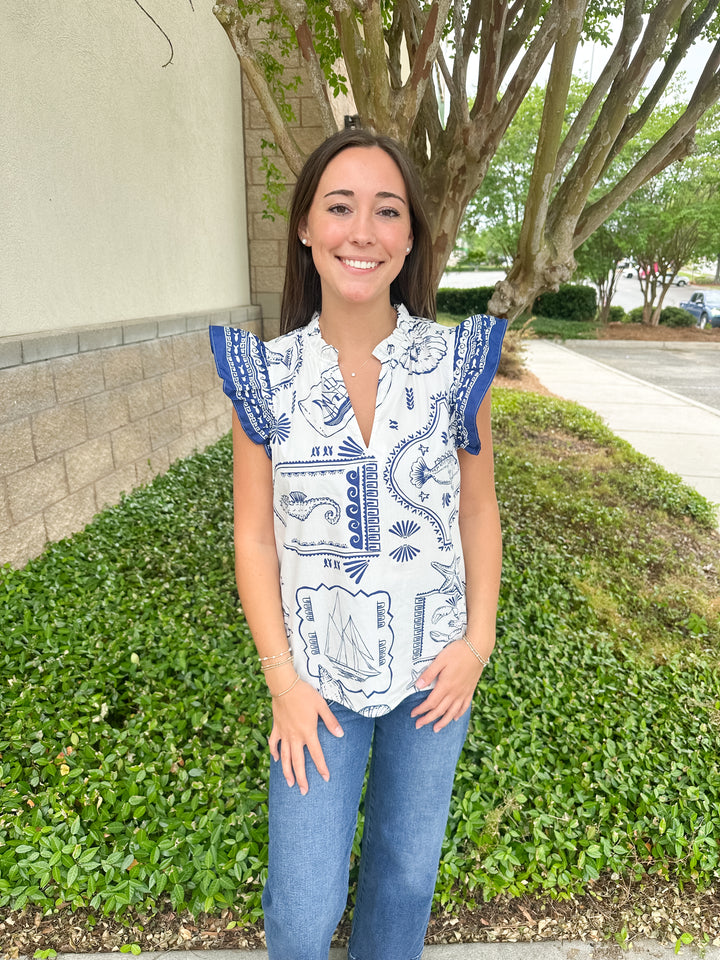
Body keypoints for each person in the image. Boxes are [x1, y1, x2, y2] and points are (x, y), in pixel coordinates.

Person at [209, 127, 506, 960]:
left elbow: (477, 510)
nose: (363, 232)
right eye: (340, 208)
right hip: (316, 682)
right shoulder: (265, 379)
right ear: (306, 228)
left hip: (434, 672)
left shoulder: (455, 365)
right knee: (303, 910)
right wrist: (282, 681)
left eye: (388, 211)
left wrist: (477, 643)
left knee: (406, 879)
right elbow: (252, 536)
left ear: (411, 237)